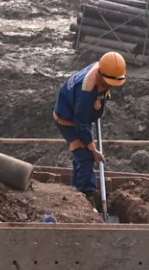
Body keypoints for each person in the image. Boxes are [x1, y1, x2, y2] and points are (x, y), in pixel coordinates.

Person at [54, 52, 127, 204]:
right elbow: (80, 123)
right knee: (85, 156)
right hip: (68, 120)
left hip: (81, 115)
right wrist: (93, 150)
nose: (110, 86)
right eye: (108, 84)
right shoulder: (86, 90)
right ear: (101, 75)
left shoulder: (104, 69)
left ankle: (75, 192)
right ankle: (86, 196)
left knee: (81, 157)